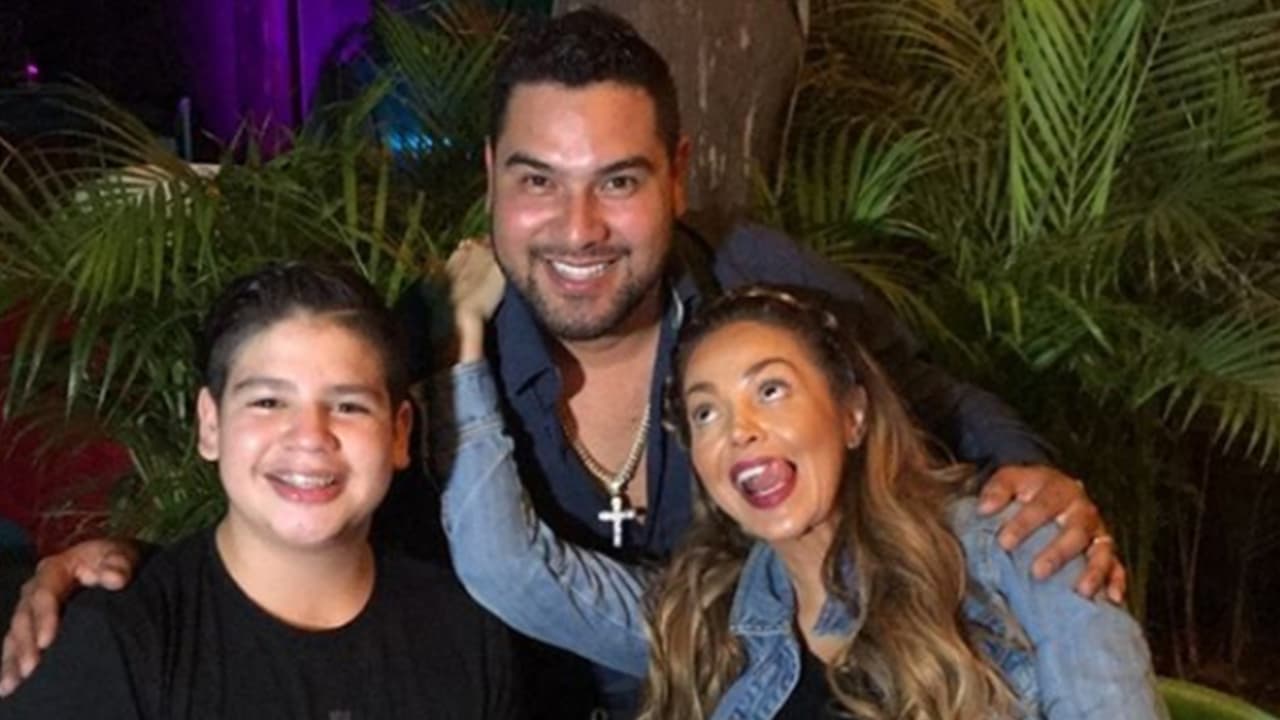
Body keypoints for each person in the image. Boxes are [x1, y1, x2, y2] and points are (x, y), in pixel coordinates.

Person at [2, 8, 1122, 717]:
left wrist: (1032, 482)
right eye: (538, 179)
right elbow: (307, 489)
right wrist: (122, 578)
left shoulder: (761, 289)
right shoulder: (435, 342)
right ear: (492, 173)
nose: (577, 228)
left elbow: (927, 398)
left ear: (676, 173)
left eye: (618, 181)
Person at [438, 277, 1164, 719]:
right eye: (706, 412)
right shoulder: (713, 613)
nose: (740, 431)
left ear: (852, 414)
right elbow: (506, 568)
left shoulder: (1019, 548)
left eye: (771, 390)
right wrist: (464, 342)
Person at [0, 263, 520, 718]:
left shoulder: (465, 633)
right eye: (268, 402)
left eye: (348, 406)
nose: (310, 436)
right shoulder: (117, 642)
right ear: (210, 424)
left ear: (400, 433)